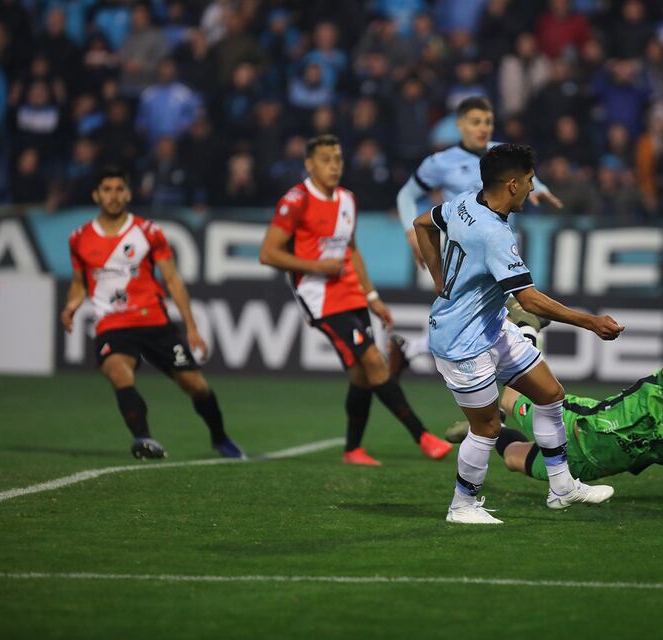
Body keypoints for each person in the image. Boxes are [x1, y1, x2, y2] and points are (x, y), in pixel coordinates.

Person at [412, 143, 625, 524]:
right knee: (488, 427)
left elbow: (422, 223)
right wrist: (591, 322)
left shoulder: (465, 202)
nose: (531, 188)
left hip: (491, 327)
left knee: (550, 394)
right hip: (460, 342)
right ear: (511, 184)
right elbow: (529, 299)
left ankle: (561, 488)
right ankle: (462, 505)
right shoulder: (495, 235)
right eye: (528, 181)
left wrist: (439, 280)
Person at [258, 134, 453, 466]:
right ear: (309, 164)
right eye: (325, 160)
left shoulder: (347, 199)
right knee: (374, 361)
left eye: (337, 159)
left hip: (350, 292)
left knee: (362, 375)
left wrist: (372, 296)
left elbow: (351, 250)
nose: (333, 166)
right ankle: (423, 436)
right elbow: (268, 253)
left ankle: (353, 449)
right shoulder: (296, 201)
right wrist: (317, 266)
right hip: (319, 298)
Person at [61, 167, 245, 460]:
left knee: (195, 386)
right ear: (96, 195)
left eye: (119, 188)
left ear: (129, 193)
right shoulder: (79, 238)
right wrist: (72, 304)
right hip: (113, 324)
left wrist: (192, 327)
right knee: (118, 372)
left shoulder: (148, 232)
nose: (114, 195)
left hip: (154, 322)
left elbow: (173, 279)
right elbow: (79, 284)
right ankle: (143, 439)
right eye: (107, 189)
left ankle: (220, 437)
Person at [445, 331, 663, 486]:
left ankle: (486, 431)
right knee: (508, 394)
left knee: (511, 458)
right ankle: (524, 329)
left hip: (587, 470)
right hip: (575, 425)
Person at [392, 96, 563, 373]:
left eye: (487, 121)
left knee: (483, 321)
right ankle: (517, 395)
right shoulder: (440, 162)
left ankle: (410, 350)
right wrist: (411, 234)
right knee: (524, 317)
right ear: (460, 125)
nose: (482, 127)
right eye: (475, 122)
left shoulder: (501, 154)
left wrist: (540, 188)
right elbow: (406, 195)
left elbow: (526, 176)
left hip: (503, 246)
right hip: (468, 254)